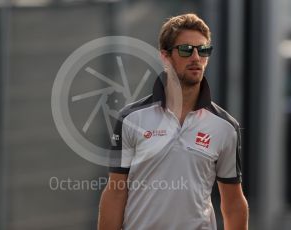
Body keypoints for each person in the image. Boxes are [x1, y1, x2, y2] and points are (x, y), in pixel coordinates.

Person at [98, 13, 248, 230]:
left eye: (203, 50)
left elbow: (233, 202)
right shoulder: (131, 119)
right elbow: (115, 192)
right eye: (187, 50)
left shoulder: (226, 127)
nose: (196, 57)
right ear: (165, 56)